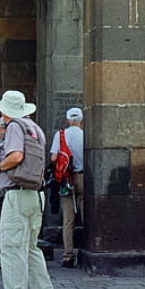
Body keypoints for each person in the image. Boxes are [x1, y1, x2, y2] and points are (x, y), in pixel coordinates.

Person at [0, 89, 56, 289]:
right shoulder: (34, 128)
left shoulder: (15, 127)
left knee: (11, 247)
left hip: (17, 193)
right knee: (30, 247)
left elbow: (16, 156)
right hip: (35, 193)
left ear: (4, 112)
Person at [53, 107, 86, 267]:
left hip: (67, 179)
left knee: (68, 220)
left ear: (67, 121)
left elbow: (53, 157)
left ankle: (68, 256)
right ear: (82, 120)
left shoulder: (60, 135)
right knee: (87, 218)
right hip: (84, 176)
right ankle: (88, 250)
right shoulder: (86, 135)